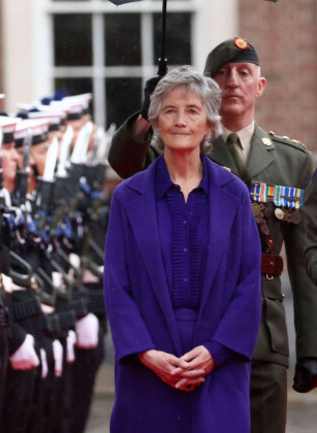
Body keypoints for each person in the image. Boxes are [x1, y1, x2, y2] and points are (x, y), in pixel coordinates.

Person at [108, 38, 317, 433]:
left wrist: (312, 346)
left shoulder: (292, 160)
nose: (181, 120)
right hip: (158, 343)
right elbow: (124, 162)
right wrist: (145, 110)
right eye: (222, 74)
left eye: (244, 73)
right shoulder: (151, 169)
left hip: (259, 334)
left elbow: (302, 261)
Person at [104, 65, 262, 433]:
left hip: (218, 361)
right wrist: (146, 353)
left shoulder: (234, 193)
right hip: (149, 363)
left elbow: (249, 281)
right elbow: (116, 284)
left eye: (192, 111)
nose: (180, 120)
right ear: (156, 122)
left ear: (210, 124)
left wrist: (216, 352)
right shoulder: (128, 197)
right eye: (170, 111)